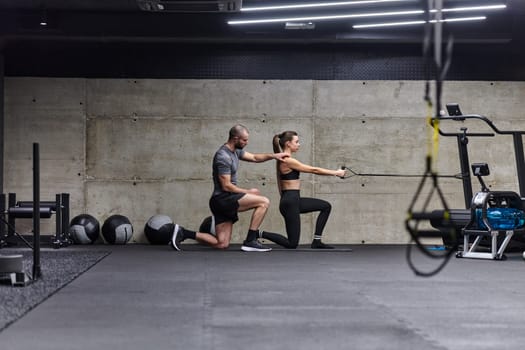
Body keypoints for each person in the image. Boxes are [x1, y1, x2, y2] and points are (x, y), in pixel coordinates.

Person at [170, 124, 288, 252]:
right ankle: (250, 240)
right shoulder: (223, 156)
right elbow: (226, 186)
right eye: (244, 140)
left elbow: (254, 157)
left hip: (223, 200)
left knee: (221, 243)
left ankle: (183, 233)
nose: (246, 143)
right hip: (223, 199)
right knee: (263, 201)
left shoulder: (235, 152)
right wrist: (249, 191)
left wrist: (273, 156)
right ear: (235, 138)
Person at [259, 130, 346, 249]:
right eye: (297, 142)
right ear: (288, 143)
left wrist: (283, 198)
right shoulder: (288, 160)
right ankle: (257, 233)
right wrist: (336, 173)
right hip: (290, 202)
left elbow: (279, 181)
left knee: (326, 206)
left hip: (293, 200)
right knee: (292, 243)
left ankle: (317, 241)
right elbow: (314, 170)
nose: (299, 144)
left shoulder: (282, 158)